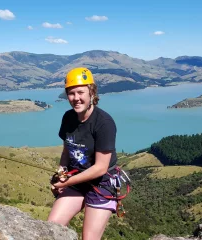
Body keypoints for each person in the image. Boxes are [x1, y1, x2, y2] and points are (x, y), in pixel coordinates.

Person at [48, 67, 118, 240]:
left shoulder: (104, 123)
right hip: (77, 179)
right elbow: (67, 151)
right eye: (71, 93)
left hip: (101, 183)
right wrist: (60, 174)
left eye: (81, 92)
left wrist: (66, 182)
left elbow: (101, 168)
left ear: (91, 92)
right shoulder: (68, 117)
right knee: (51, 228)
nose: (76, 98)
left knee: (89, 238)